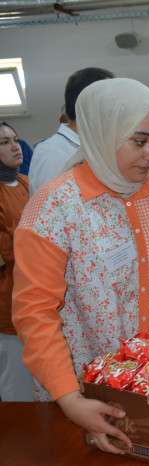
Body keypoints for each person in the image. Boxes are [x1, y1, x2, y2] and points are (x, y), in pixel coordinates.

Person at [12, 78, 149, 454]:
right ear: (102, 133)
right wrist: (70, 398)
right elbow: (35, 312)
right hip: (81, 392)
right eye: (139, 141)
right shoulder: (55, 207)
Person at [28, 67, 114, 194]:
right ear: (89, 104)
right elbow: (51, 203)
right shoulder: (53, 153)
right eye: (111, 101)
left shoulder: (89, 145)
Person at [0, 122, 33, 401]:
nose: (15, 147)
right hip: (7, 302)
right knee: (17, 385)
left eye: (15, 139)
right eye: (4, 142)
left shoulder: (26, 182)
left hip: (35, 296)